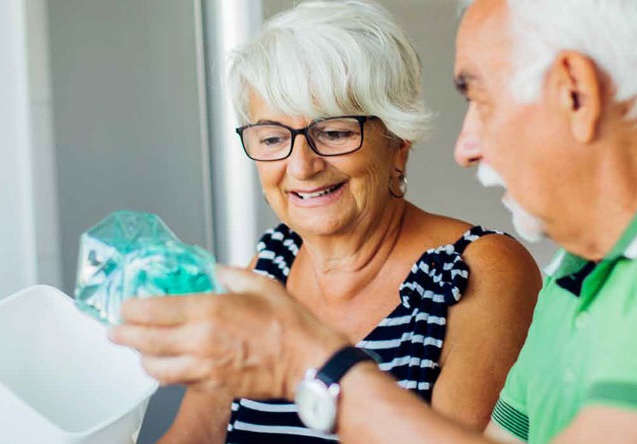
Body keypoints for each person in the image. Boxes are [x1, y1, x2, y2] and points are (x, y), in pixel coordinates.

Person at [112, 0, 637, 443]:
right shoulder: (581, 280)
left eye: (479, 97)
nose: (462, 146)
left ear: (574, 92)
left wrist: (311, 364)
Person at [153, 1, 541, 442]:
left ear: (397, 142)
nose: (300, 166)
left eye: (334, 133)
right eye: (273, 137)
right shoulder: (266, 270)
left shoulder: (478, 272)